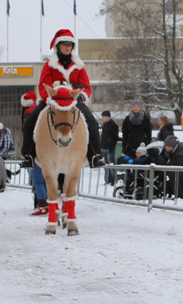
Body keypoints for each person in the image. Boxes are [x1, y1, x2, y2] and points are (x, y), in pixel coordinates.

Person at [19, 29, 104, 169]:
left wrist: (81, 96)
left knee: (92, 122)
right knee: (30, 121)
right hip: (52, 101)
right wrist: (50, 98)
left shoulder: (79, 66)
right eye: (64, 44)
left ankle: (95, 155)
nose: (67, 47)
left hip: (73, 101)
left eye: (70, 45)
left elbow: (86, 87)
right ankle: (28, 155)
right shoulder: (49, 65)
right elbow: (43, 86)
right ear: (58, 46)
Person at [21, 91, 49, 215]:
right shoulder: (42, 110)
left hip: (37, 149)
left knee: (38, 180)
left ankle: (43, 204)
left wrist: (26, 151)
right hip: (48, 150)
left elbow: (28, 134)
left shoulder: (29, 113)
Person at [156, 134, 183, 199]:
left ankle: (181, 195)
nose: (164, 147)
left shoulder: (179, 155)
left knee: (172, 171)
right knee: (165, 185)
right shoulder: (173, 152)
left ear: (171, 146)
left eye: (166, 145)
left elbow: (169, 167)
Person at [100, 110, 119, 186]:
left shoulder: (113, 125)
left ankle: (113, 180)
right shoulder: (104, 125)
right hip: (103, 147)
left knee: (111, 164)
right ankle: (107, 180)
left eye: (104, 117)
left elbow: (115, 138)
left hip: (109, 148)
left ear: (108, 117)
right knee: (105, 165)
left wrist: (112, 146)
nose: (103, 118)